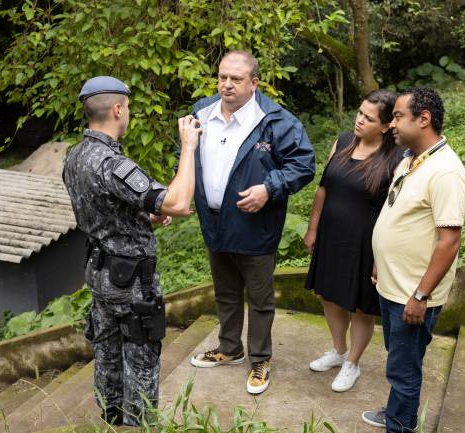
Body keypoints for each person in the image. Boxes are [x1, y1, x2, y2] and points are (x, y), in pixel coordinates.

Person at [62, 76, 202, 426]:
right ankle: (140, 424)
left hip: (99, 271)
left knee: (107, 350)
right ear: (117, 109)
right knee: (140, 357)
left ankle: (112, 418)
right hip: (130, 282)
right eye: (129, 108)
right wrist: (188, 147)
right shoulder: (111, 163)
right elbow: (180, 202)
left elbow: (101, 206)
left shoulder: (75, 156)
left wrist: (143, 216)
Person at [184, 50, 316, 395]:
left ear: (254, 82)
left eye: (236, 79)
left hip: (256, 225)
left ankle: (260, 358)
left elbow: (303, 165)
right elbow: (187, 161)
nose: (226, 85)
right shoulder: (201, 112)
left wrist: (269, 188)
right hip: (214, 223)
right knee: (225, 293)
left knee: (259, 298)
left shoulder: (276, 121)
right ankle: (229, 348)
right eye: (222, 77)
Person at [361, 87, 465, 432]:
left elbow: (449, 241)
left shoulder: (446, 172)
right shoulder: (410, 159)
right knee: (399, 362)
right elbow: (398, 213)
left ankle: (400, 425)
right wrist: (380, 257)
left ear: (423, 119)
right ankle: (397, 410)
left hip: (412, 294)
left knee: (404, 371)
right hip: (393, 285)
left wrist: (420, 295)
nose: (391, 124)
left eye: (397, 116)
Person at [304, 89, 402, 392]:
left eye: (368, 118)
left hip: (365, 241)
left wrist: (383, 253)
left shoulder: (396, 158)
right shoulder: (344, 141)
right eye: (359, 113)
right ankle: (338, 350)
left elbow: (395, 208)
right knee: (327, 294)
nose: (359, 120)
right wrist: (313, 228)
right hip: (331, 234)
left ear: (386, 125)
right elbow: (324, 189)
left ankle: (353, 363)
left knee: (361, 305)